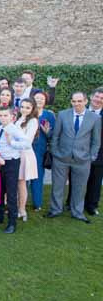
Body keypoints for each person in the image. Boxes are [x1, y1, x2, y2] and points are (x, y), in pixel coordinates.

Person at [46, 91, 101, 223]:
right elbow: (56, 136)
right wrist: (55, 152)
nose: (77, 104)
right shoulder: (63, 114)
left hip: (82, 160)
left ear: (85, 101)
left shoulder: (95, 118)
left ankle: (77, 212)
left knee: (80, 188)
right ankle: (55, 209)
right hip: (61, 158)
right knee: (57, 186)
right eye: (74, 101)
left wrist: (91, 157)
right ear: (71, 102)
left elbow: (96, 141)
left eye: (79, 101)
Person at [0, 106, 31, 234]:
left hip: (11, 163)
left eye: (5, 115)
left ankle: (12, 223)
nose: (3, 118)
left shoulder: (15, 129)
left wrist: (12, 143)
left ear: (12, 117)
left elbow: (27, 144)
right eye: (1, 115)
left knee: (10, 192)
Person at [14, 98, 39, 221]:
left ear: (32, 109)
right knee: (15, 182)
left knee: (22, 183)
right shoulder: (18, 118)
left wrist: (12, 142)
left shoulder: (33, 121)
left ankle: (22, 209)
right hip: (14, 153)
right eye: (22, 107)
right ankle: (14, 206)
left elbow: (27, 141)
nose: (24, 109)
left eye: (27, 107)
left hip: (24, 154)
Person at [31, 92, 55, 211]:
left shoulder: (48, 115)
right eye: (37, 98)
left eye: (42, 98)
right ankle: (20, 202)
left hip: (40, 149)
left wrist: (47, 132)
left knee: (38, 176)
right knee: (23, 177)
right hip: (26, 148)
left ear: (45, 101)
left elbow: (54, 135)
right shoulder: (28, 112)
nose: (39, 100)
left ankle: (37, 203)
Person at [84, 87, 103, 216]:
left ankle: (91, 205)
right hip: (80, 151)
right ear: (91, 97)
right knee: (76, 179)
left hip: (100, 153)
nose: (98, 100)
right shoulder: (81, 111)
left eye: (101, 98)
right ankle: (72, 202)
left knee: (95, 180)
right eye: (96, 96)